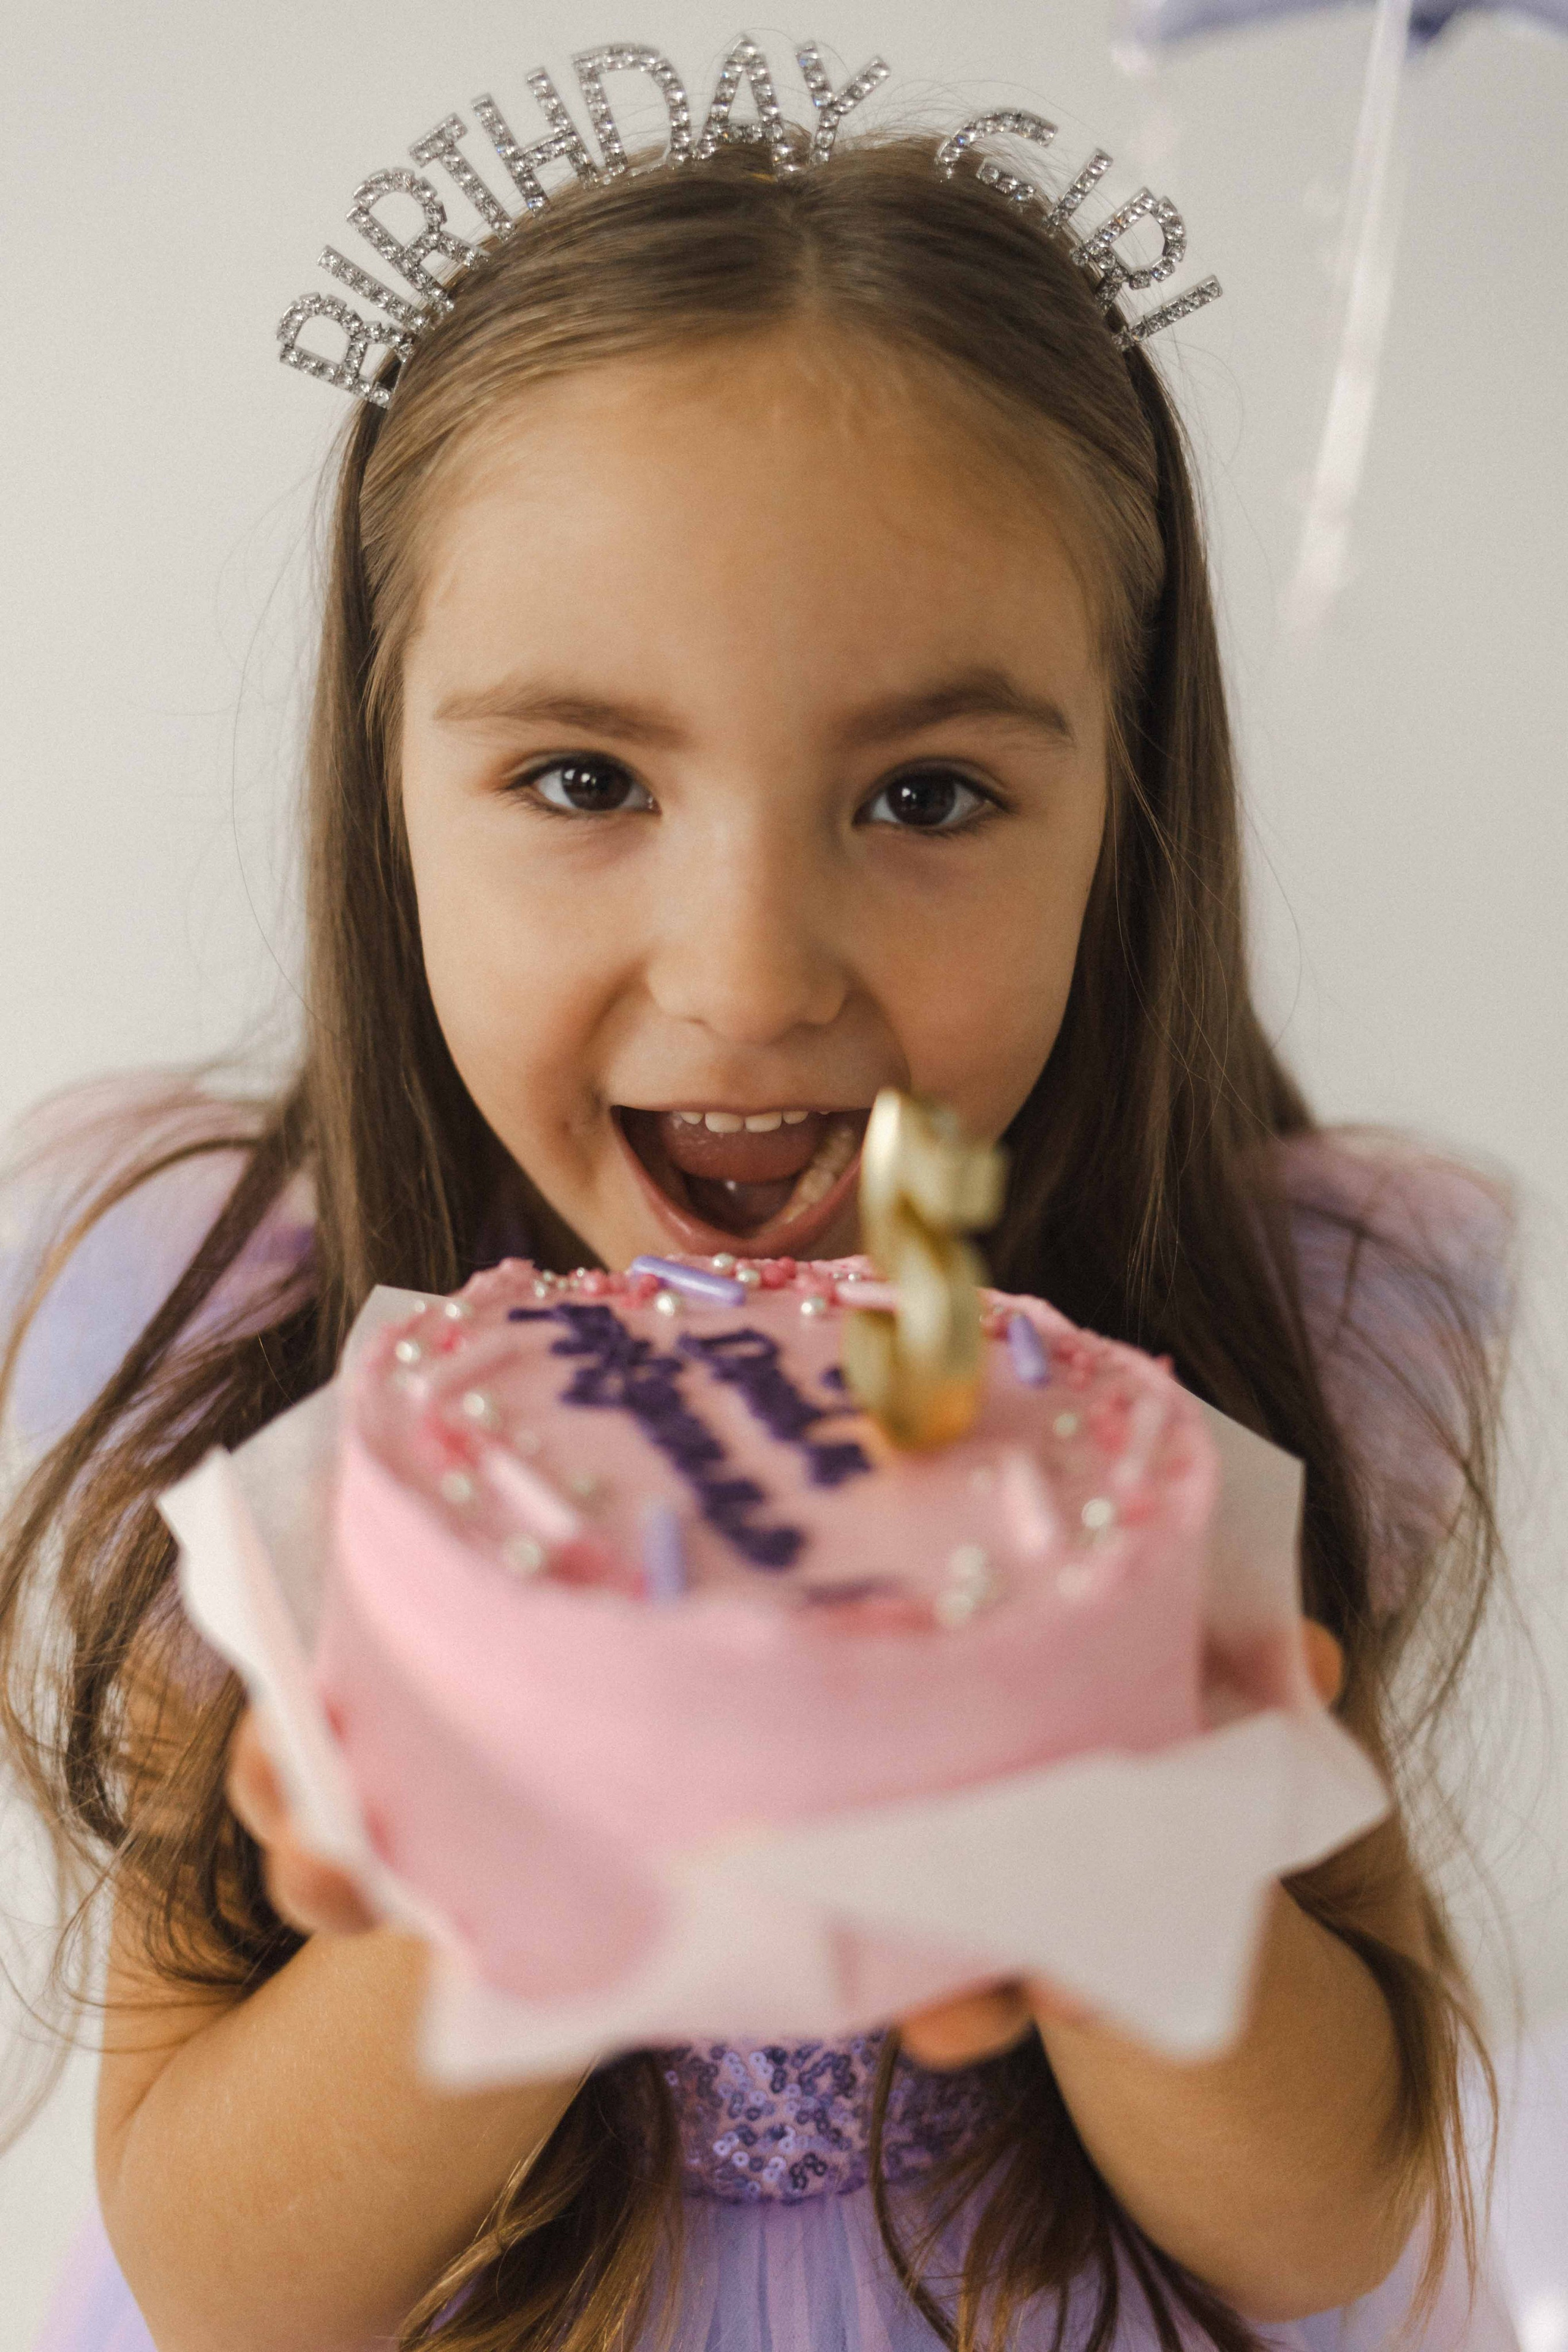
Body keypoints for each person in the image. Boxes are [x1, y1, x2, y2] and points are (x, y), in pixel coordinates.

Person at [0, 83, 1517, 2352]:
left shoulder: (1185, 1401)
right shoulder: (270, 1396)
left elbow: (1339, 2227)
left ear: (1125, 802)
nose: (751, 973)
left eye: (929, 793)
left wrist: (1116, 1829)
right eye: (583, 778)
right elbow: (220, 2283)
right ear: (387, 787)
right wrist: (488, 1865)